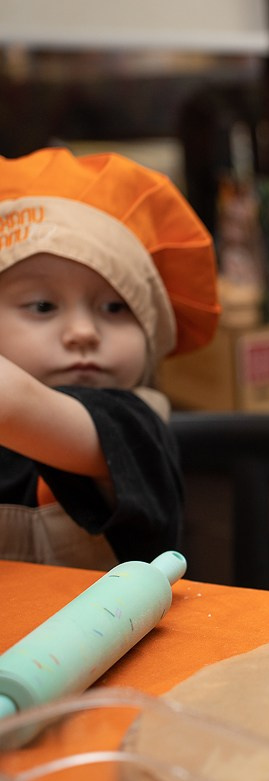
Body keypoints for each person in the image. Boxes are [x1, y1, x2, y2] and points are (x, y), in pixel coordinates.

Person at [0, 148, 220, 568]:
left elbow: (15, 405)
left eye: (116, 308)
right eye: (43, 307)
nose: (83, 332)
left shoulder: (134, 423)